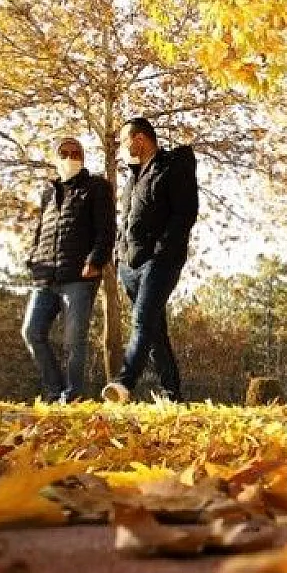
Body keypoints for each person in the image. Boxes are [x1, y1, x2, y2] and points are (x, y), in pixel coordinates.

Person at [102, 117, 198, 403]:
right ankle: (173, 395)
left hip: (160, 262)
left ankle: (123, 383)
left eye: (123, 141)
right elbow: (127, 222)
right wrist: (119, 256)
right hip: (129, 265)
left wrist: (161, 251)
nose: (120, 148)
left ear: (140, 139)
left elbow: (185, 214)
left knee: (142, 320)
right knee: (155, 330)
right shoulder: (133, 177)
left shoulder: (173, 167)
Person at [21, 136, 115, 402]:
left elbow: (106, 230)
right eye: (65, 153)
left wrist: (95, 261)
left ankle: (71, 395)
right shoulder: (48, 194)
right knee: (32, 332)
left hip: (79, 277)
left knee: (74, 339)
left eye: (76, 153)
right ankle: (54, 389)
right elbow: (41, 231)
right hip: (45, 277)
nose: (70, 157)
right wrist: (32, 259)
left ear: (83, 157)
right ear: (55, 157)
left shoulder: (96, 187)